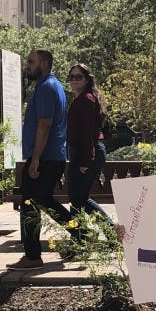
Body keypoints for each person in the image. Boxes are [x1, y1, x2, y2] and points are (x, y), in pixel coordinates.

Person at [7, 49, 74, 271]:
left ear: (44, 64)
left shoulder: (46, 88)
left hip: (45, 157)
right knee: (43, 200)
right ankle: (81, 232)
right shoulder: (52, 86)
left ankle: (33, 256)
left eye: (31, 62)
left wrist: (35, 158)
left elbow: (44, 125)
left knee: (29, 205)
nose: (27, 65)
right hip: (50, 156)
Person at [65, 63, 112, 225]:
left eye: (78, 77)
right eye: (71, 77)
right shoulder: (84, 98)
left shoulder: (85, 100)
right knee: (77, 199)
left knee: (79, 198)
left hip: (86, 153)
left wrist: (86, 161)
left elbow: (87, 133)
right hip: (85, 151)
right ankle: (79, 237)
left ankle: (111, 231)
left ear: (86, 79)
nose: (74, 80)